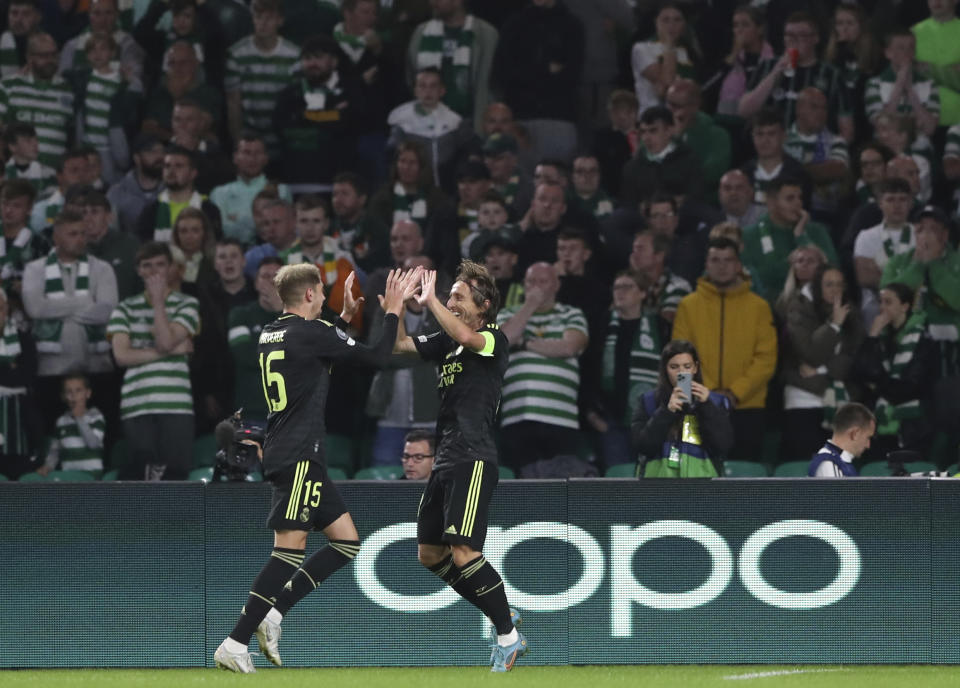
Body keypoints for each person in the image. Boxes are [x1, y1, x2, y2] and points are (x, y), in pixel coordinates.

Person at [213, 263, 417, 673]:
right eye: (321, 293)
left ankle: (274, 613)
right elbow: (377, 356)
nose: (325, 298)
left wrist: (339, 320)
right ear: (308, 295)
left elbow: (312, 358)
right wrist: (392, 309)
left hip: (290, 450)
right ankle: (234, 642)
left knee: (346, 542)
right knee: (287, 553)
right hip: (300, 452)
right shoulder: (311, 334)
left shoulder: (272, 333)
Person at [387, 261, 528, 672]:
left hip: (473, 455)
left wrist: (429, 300)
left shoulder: (491, 338)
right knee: (430, 554)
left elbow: (465, 333)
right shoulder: (447, 342)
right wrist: (397, 309)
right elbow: (400, 346)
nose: (450, 300)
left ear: (483, 305)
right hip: (445, 456)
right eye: (448, 295)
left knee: (465, 551)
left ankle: (507, 634)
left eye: (458, 296)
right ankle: (502, 614)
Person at [672, 238, 777, 461]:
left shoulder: (759, 307)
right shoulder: (687, 305)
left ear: (739, 265)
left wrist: (735, 393)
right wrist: (706, 395)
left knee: (745, 482)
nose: (722, 266)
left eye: (728, 260)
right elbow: (679, 359)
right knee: (697, 481)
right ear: (706, 265)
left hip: (747, 408)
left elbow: (766, 359)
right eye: (715, 260)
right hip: (697, 407)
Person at [106, 241, 199, 480]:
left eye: (160, 265)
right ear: (138, 270)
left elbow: (164, 341)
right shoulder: (124, 308)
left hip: (176, 404)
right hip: (137, 403)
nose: (154, 271)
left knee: (175, 476)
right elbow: (121, 356)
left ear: (170, 268)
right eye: (147, 266)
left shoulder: (187, 304)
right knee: (143, 476)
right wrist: (174, 351)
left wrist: (158, 303)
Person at [21, 210, 118, 433]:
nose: (80, 239)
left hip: (96, 366)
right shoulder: (35, 269)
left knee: (101, 431)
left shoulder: (102, 268)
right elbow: (35, 308)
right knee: (54, 432)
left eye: (83, 233)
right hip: (51, 368)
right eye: (73, 234)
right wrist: (85, 301)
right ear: (56, 238)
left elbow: (107, 311)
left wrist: (57, 308)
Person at [497, 261, 588, 473]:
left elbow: (569, 347)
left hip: (561, 417)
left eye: (543, 281)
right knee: (521, 489)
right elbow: (502, 342)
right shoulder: (508, 314)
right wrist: (529, 306)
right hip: (517, 416)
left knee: (561, 487)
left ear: (556, 285)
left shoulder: (570, 313)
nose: (536, 287)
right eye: (531, 281)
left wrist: (525, 344)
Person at [780, 264, 864, 463]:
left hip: (843, 402)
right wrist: (833, 326)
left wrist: (823, 370)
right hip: (804, 399)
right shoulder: (798, 311)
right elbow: (811, 355)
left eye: (839, 285)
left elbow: (854, 359)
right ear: (818, 287)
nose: (835, 290)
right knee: (807, 468)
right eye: (829, 285)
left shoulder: (852, 315)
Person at [584, 270, 661, 469]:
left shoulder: (660, 326)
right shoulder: (601, 324)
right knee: (618, 489)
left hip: (651, 421)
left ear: (643, 293)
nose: (620, 292)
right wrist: (592, 415)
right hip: (610, 422)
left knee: (652, 484)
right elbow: (587, 369)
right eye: (617, 287)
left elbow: (679, 369)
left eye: (627, 287)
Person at [855, 282, 938, 460]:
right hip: (881, 426)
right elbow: (861, 371)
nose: (882, 307)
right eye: (880, 302)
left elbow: (911, 387)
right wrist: (872, 336)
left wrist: (878, 383)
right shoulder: (881, 339)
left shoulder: (921, 339)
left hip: (913, 428)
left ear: (905, 306)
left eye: (888, 302)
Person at [631, 339, 733, 478]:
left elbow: (722, 447)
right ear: (665, 369)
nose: (681, 372)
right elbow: (643, 447)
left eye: (687, 366)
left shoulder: (715, 401)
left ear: (695, 368)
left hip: (703, 487)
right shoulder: (648, 401)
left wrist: (706, 406)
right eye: (674, 367)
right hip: (657, 487)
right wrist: (666, 412)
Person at [741, 175, 837, 304]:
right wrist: (796, 266)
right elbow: (761, 277)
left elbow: (831, 270)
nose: (798, 203)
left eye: (800, 198)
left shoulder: (816, 231)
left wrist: (801, 237)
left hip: (816, 307)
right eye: (790, 198)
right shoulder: (749, 236)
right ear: (771, 202)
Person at [406, 0, 498, 132]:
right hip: (429, 125)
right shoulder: (421, 33)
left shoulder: (485, 34)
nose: (432, 2)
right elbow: (411, 77)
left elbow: (493, 87)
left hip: (470, 124)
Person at [224, 0, 300, 153]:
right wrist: (239, 144)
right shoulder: (236, 54)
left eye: (269, 18)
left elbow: (296, 104)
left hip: (283, 140)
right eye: (258, 17)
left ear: (280, 20)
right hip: (249, 138)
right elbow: (233, 104)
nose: (263, 23)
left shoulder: (294, 55)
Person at [0, 33, 75, 168]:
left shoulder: (69, 89)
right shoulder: (8, 86)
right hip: (16, 172)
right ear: (29, 57)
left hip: (55, 173)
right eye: (43, 56)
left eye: (54, 55)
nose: (50, 60)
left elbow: (73, 133)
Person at [209, 133, 293, 245]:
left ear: (266, 158)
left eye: (257, 153)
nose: (252, 159)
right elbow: (222, 231)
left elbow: (284, 230)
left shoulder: (281, 190)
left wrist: (237, 220)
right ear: (235, 157)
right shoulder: (219, 193)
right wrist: (258, 225)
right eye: (246, 153)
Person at [620, 105, 702, 208]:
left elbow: (696, 197)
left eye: (653, 131)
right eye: (643, 132)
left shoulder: (689, 160)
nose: (646, 138)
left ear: (669, 131)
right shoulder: (632, 167)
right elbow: (629, 205)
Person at [629, 2, 699, 112]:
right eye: (665, 20)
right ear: (656, 23)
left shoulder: (688, 51)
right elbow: (667, 83)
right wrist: (669, 45)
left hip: (685, 115)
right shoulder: (642, 48)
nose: (671, 25)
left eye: (677, 20)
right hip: (653, 116)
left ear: (684, 24)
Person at [39, 374, 106, 475]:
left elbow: (93, 444)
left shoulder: (96, 416)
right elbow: (55, 450)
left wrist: (79, 419)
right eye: (68, 391)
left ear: (88, 393)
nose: (73, 395)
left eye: (78, 390)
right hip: (69, 477)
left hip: (92, 476)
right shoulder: (61, 421)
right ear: (63, 396)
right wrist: (48, 466)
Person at [107, 133, 163, 235]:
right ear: (137, 158)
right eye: (152, 152)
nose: (159, 156)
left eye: (162, 151)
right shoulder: (117, 193)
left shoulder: (173, 189)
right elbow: (111, 232)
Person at [808, 402, 876, 477]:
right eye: (868, 437)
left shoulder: (840, 462)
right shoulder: (830, 463)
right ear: (855, 434)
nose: (868, 445)